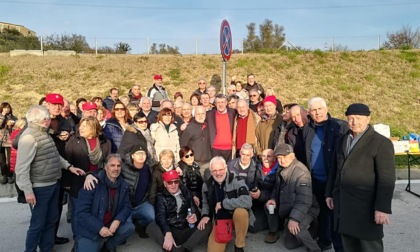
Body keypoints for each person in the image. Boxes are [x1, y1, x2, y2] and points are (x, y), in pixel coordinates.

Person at [326, 103, 396, 252]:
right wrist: (329, 193)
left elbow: (387, 178)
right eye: (351, 118)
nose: (354, 122)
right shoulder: (342, 140)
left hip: (366, 206)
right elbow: (334, 170)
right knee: (348, 246)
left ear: (368, 118)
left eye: (359, 118)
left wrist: (382, 208)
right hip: (343, 205)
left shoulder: (381, 143)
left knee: (369, 246)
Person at [15, 105, 85, 252]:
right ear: (43, 119)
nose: (49, 120)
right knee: (38, 224)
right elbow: (21, 168)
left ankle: (46, 248)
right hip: (40, 188)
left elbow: (54, 155)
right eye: (47, 118)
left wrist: (69, 167)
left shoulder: (44, 133)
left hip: (53, 183)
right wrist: (27, 191)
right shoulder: (29, 137)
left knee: (52, 220)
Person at [302, 97, 347, 251]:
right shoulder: (308, 129)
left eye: (320, 109)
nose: (317, 113)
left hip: (333, 180)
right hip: (315, 179)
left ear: (326, 109)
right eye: (314, 110)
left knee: (335, 215)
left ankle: (339, 246)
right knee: (322, 213)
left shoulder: (339, 126)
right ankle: (325, 242)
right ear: (309, 113)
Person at [65, 116, 111, 243]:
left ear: (94, 128)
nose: (81, 128)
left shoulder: (105, 141)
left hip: (99, 181)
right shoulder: (74, 140)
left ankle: (94, 234)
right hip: (78, 181)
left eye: (85, 126)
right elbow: (68, 162)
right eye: (81, 126)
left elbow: (107, 161)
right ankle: (78, 238)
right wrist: (67, 183)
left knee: (94, 210)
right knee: (77, 212)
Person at [75, 154, 134, 252]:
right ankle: (80, 244)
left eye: (118, 166)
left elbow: (127, 206)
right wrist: (99, 228)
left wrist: (118, 220)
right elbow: (81, 212)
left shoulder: (123, 185)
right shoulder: (92, 183)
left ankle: (108, 247)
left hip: (109, 223)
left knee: (129, 228)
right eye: (112, 165)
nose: (116, 169)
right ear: (106, 167)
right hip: (91, 228)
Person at [267, 144, 320, 251]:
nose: (282, 160)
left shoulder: (301, 172)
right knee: (290, 244)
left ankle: (315, 248)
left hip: (308, 208)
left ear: (292, 156)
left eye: (285, 157)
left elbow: (304, 200)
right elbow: (276, 187)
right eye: (279, 158)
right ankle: (279, 229)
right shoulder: (281, 168)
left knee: (298, 228)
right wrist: (272, 198)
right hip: (290, 205)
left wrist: (295, 218)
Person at [197, 156, 253, 252]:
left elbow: (247, 201)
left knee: (241, 212)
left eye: (220, 169)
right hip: (220, 220)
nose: (218, 173)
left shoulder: (237, 180)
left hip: (235, 218)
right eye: (214, 170)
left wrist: (223, 204)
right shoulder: (206, 185)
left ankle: (239, 245)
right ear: (211, 172)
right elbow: (205, 203)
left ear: (226, 168)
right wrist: (205, 215)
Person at [147, 170, 212, 252]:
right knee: (151, 227)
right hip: (171, 230)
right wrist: (167, 232)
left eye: (176, 182)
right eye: (170, 182)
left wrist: (195, 216)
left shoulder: (186, 192)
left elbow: (195, 210)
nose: (173, 185)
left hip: (186, 228)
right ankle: (172, 248)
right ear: (165, 184)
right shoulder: (161, 197)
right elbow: (161, 217)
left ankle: (185, 249)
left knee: (207, 223)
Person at [249, 148, 280, 243]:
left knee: (270, 206)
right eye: (263, 156)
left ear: (274, 158)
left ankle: (273, 231)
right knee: (252, 228)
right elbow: (255, 182)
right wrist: (254, 190)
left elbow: (277, 191)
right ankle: (272, 221)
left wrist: (261, 195)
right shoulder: (258, 167)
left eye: (269, 156)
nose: (265, 158)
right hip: (260, 201)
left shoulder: (279, 170)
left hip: (274, 201)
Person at [179, 106, 212, 180]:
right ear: (194, 115)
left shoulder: (209, 126)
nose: (200, 116)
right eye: (198, 114)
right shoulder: (189, 128)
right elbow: (183, 145)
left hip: (208, 161)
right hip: (195, 162)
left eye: (202, 114)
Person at [206, 94, 236, 161]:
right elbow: (198, 118)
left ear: (226, 103)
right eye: (218, 102)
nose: (220, 104)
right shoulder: (209, 114)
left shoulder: (232, 112)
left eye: (222, 102)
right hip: (216, 149)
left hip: (230, 149)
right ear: (215, 104)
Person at [0, 102, 18, 184]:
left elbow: (18, 128)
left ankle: (10, 175)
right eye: (4, 108)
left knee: (10, 160)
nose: (6, 109)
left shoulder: (13, 117)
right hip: (1, 140)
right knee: (2, 160)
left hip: (9, 141)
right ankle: (4, 175)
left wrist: (12, 125)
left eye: (8, 108)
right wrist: (3, 116)